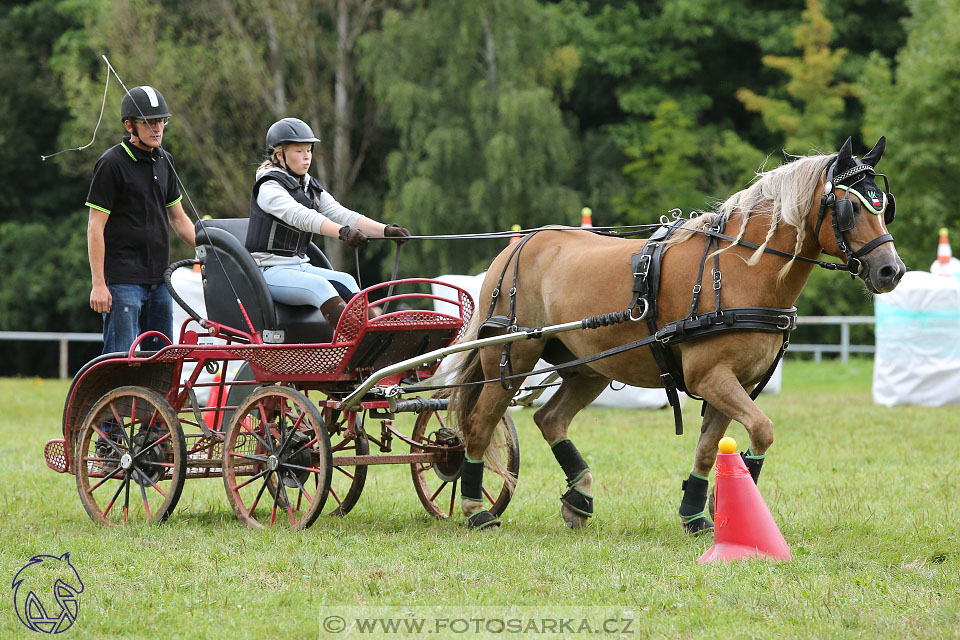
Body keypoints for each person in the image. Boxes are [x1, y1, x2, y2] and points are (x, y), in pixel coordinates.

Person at [245, 117, 409, 327]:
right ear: (279, 155)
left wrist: (386, 231)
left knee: (347, 280)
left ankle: (377, 338)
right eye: (299, 151)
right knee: (320, 286)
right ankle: (359, 346)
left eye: (309, 150)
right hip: (267, 271)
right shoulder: (268, 188)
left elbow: (342, 214)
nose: (307, 157)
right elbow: (302, 217)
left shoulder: (308, 185)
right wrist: (343, 233)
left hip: (298, 266)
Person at [85, 85, 196, 354]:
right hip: (123, 281)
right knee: (121, 358)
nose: (157, 128)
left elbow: (179, 219)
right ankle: (117, 398)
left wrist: (210, 251)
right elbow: (94, 227)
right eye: (148, 122)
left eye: (161, 121)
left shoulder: (165, 160)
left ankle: (154, 398)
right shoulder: (111, 163)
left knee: (160, 359)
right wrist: (99, 284)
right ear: (129, 125)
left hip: (160, 280)